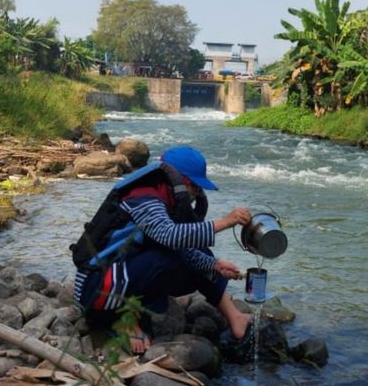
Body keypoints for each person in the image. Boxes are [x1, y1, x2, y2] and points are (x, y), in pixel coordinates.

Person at [71, 146, 252, 353]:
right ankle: (122, 319)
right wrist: (226, 222)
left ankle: (235, 317)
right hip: (96, 290)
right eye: (195, 187)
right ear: (183, 181)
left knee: (198, 250)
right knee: (166, 258)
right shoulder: (144, 198)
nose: (197, 194)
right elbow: (170, 237)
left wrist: (213, 265)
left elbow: (179, 245)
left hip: (122, 277)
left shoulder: (164, 197)